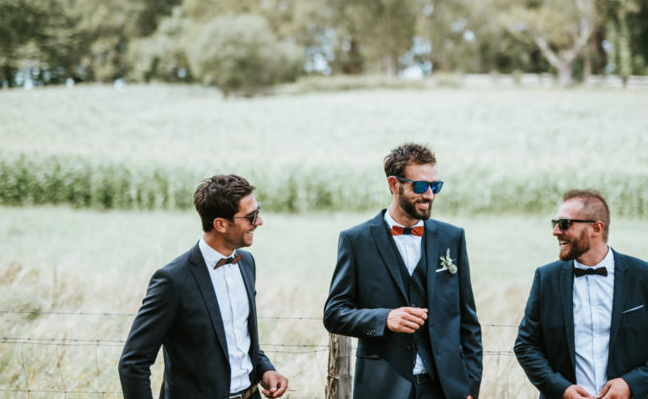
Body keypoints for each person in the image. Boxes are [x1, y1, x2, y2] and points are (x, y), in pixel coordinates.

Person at [323, 143, 482, 399]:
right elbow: (334, 314)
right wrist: (384, 319)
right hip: (382, 388)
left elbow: (467, 320)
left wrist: (470, 386)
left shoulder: (452, 238)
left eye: (435, 186)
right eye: (420, 186)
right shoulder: (356, 240)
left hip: (443, 388)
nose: (429, 195)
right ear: (394, 185)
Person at [118, 174, 289, 399]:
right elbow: (133, 363)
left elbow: (239, 338)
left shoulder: (246, 263)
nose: (259, 221)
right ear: (220, 224)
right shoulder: (172, 281)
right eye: (251, 216)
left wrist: (265, 369)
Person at [514, 189, 648, 399]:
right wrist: (561, 389)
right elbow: (526, 346)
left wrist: (630, 385)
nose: (555, 231)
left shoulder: (646, 277)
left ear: (596, 228)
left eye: (564, 224)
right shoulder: (546, 278)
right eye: (554, 223)